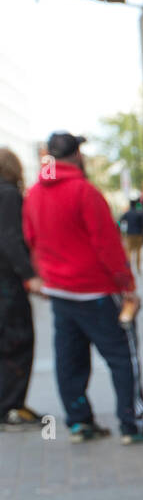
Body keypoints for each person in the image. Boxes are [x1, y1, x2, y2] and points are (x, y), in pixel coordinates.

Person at [22, 132, 143, 444]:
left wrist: (44, 275)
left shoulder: (34, 194)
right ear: (77, 155)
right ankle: (132, 423)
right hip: (96, 291)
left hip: (60, 291)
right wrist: (126, 284)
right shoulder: (84, 192)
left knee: (69, 359)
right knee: (123, 356)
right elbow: (107, 245)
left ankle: (79, 423)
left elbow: (30, 239)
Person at [0, 147, 45, 429]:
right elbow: (11, 240)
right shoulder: (7, 195)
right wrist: (30, 275)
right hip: (6, 285)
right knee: (18, 341)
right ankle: (10, 407)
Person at [119, 197, 143, 273]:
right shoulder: (140, 213)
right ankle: (138, 269)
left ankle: (129, 269)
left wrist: (122, 231)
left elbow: (120, 221)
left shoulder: (127, 213)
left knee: (129, 252)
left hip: (129, 235)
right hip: (138, 234)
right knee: (138, 252)